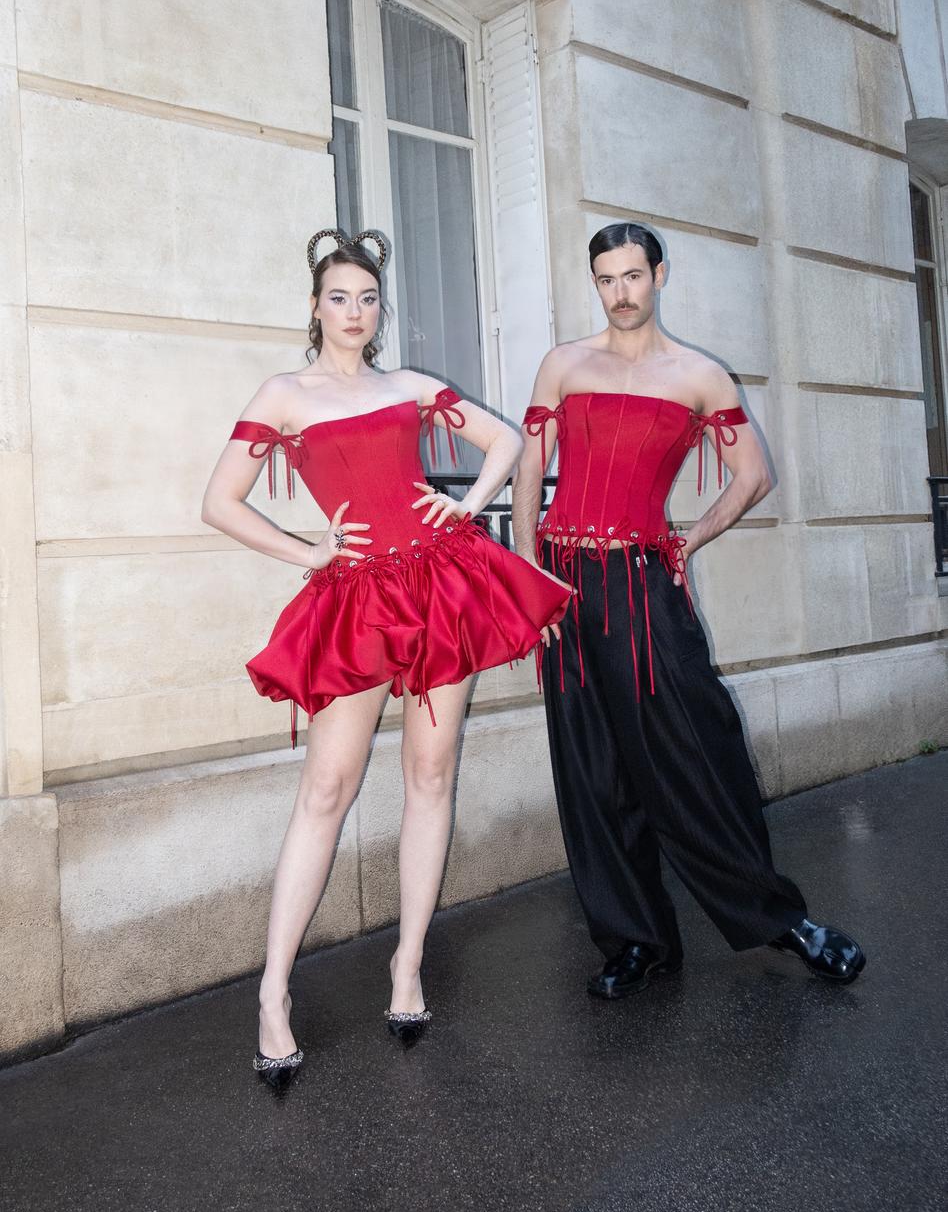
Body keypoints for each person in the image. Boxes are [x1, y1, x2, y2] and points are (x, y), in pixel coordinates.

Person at [202, 229, 570, 1084]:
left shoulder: (408, 386)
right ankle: (273, 994)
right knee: (326, 788)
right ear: (314, 306)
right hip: (357, 600)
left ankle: (407, 966)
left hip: (441, 590)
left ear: (380, 308)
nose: (356, 313)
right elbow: (220, 501)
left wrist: (468, 506)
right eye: (340, 297)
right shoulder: (284, 394)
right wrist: (311, 553)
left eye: (368, 299)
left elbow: (507, 440)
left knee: (430, 776)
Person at [511, 222, 865, 1001]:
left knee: (695, 757)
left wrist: (687, 540)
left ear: (659, 275)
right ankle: (636, 941)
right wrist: (534, 583)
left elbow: (753, 475)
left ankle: (781, 920)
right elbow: (531, 469)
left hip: (643, 584)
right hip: (566, 587)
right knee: (592, 774)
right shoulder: (563, 366)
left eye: (633, 276)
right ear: (595, 283)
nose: (621, 293)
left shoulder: (700, 376)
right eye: (606, 279)